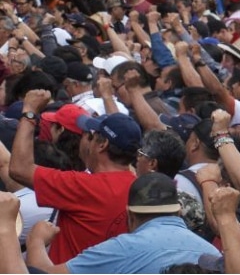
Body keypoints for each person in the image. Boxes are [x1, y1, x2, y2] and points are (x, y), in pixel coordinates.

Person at [8, 90, 141, 264]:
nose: (85, 141)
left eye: (91, 136)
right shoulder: (141, 187)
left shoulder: (84, 186)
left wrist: (29, 113)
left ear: (102, 145)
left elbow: (19, 168)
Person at [23, 173, 218, 273]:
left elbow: (46, 274)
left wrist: (36, 242)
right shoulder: (212, 253)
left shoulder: (121, 248)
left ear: (129, 215)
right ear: (178, 211)